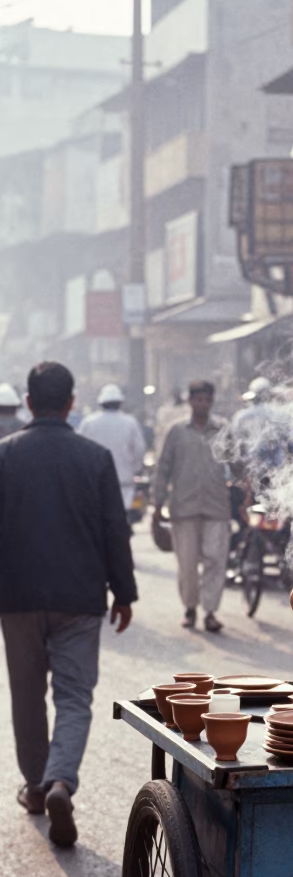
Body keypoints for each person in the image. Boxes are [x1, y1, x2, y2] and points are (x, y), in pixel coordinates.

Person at [0, 362, 136, 847]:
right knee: (75, 697)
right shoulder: (94, 457)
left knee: (26, 697)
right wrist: (124, 592)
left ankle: (37, 789)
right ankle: (61, 780)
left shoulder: (4, 455)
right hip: (79, 598)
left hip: (15, 599)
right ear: (72, 403)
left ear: (30, 404)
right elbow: (114, 531)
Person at [154, 379, 230, 633]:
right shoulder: (176, 432)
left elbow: (238, 463)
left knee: (215, 560)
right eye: (198, 399)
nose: (203, 404)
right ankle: (190, 608)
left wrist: (250, 489)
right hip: (183, 508)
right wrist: (157, 504)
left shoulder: (223, 430)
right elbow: (163, 468)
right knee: (187, 563)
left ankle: (210, 612)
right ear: (190, 401)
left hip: (217, 506)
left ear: (211, 401)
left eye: (207, 399)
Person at [78, 383, 146, 515]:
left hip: (96, 485)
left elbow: (79, 450)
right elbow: (139, 450)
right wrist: (135, 469)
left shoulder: (89, 423)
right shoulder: (129, 422)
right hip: (124, 482)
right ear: (120, 403)